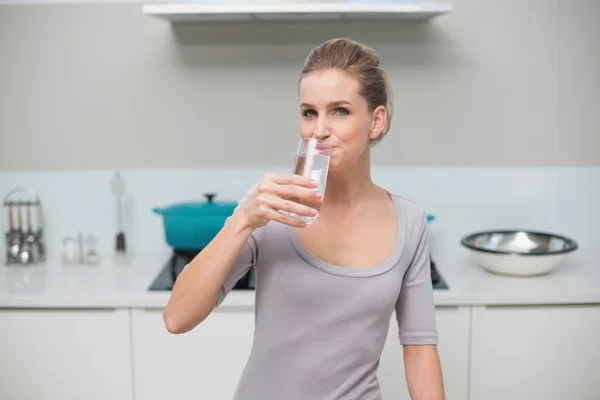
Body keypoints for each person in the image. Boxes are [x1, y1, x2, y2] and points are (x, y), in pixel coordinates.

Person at [163, 37, 445, 400]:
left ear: (376, 121)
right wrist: (243, 221)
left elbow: (420, 346)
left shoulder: (410, 221)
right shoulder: (269, 207)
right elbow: (177, 318)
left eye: (340, 111)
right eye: (309, 112)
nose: (319, 129)